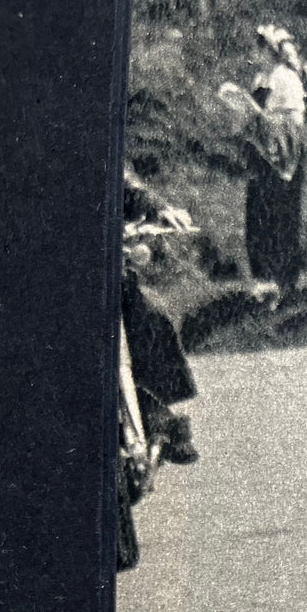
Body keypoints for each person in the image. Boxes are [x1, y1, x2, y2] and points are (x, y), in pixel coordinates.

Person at [122, 172, 200, 465]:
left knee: (151, 317)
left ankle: (155, 411)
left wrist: (158, 208)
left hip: (102, 266)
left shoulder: (92, 144)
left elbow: (127, 183)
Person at [243, 24, 307, 302]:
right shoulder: (260, 78)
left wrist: (265, 120)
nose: (251, 52)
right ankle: (265, 283)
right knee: (258, 217)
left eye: (255, 47)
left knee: (281, 218)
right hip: (262, 155)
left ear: (266, 50)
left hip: (283, 156)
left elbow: (295, 121)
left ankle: (285, 284)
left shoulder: (285, 78)